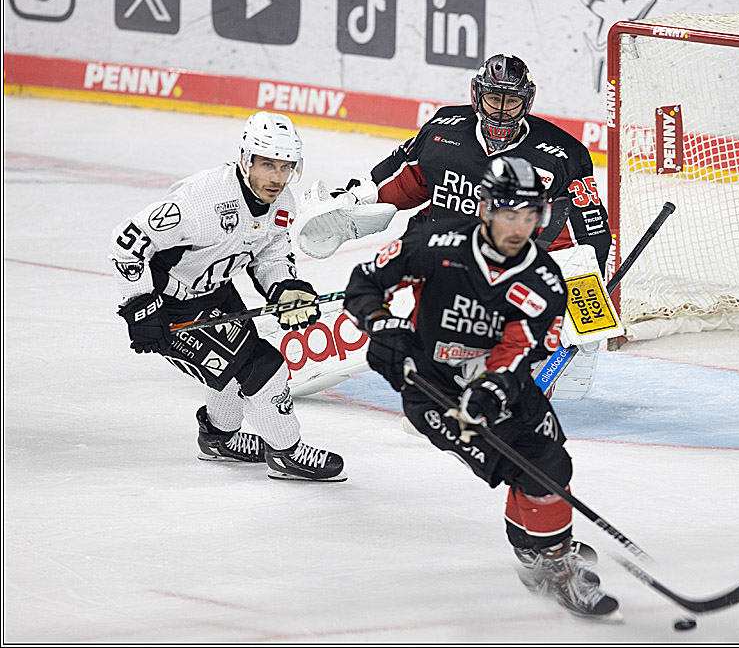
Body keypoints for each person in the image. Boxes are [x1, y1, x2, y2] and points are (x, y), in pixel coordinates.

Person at [343, 156, 619, 620]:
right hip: (431, 389)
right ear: (487, 209)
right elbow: (367, 281)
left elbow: (520, 348)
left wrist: (491, 390)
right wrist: (380, 325)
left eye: (529, 216)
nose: (519, 226)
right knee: (534, 471)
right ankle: (550, 561)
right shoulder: (435, 243)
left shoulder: (544, 280)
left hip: (499, 384)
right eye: (510, 213)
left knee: (552, 462)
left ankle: (538, 550)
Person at [290, 53, 613, 399]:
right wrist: (354, 202)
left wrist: (583, 297)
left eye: (512, 101)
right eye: (494, 98)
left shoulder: (562, 155)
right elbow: (402, 181)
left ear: (528, 101)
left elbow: (587, 234)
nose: (502, 110)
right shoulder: (445, 131)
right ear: (476, 95)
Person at [108, 111, 346, 482]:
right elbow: (126, 241)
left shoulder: (283, 204)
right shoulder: (203, 200)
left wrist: (285, 288)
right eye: (268, 165)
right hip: (170, 306)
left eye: (286, 167)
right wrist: (140, 308)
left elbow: (270, 254)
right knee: (264, 369)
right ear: (246, 159)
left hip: (216, 294)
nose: (277, 178)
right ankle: (286, 452)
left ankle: (219, 439)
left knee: (235, 373)